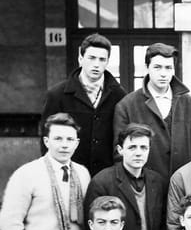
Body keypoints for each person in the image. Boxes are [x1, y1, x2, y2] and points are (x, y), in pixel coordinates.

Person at [41, 33, 127, 176]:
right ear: (80, 59)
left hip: (106, 176)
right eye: (91, 58)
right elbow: (46, 138)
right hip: (68, 174)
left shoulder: (119, 95)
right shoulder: (57, 95)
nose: (96, 64)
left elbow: (122, 138)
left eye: (102, 59)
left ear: (107, 62)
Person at [114, 43, 191, 179]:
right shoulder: (127, 105)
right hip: (145, 185)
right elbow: (119, 154)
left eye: (168, 68)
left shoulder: (188, 103)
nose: (163, 74)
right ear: (147, 67)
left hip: (183, 183)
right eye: (157, 67)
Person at [84, 123, 167, 230]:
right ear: (120, 150)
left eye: (143, 148)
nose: (138, 153)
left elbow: (163, 226)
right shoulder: (102, 182)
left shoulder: (158, 182)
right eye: (132, 147)